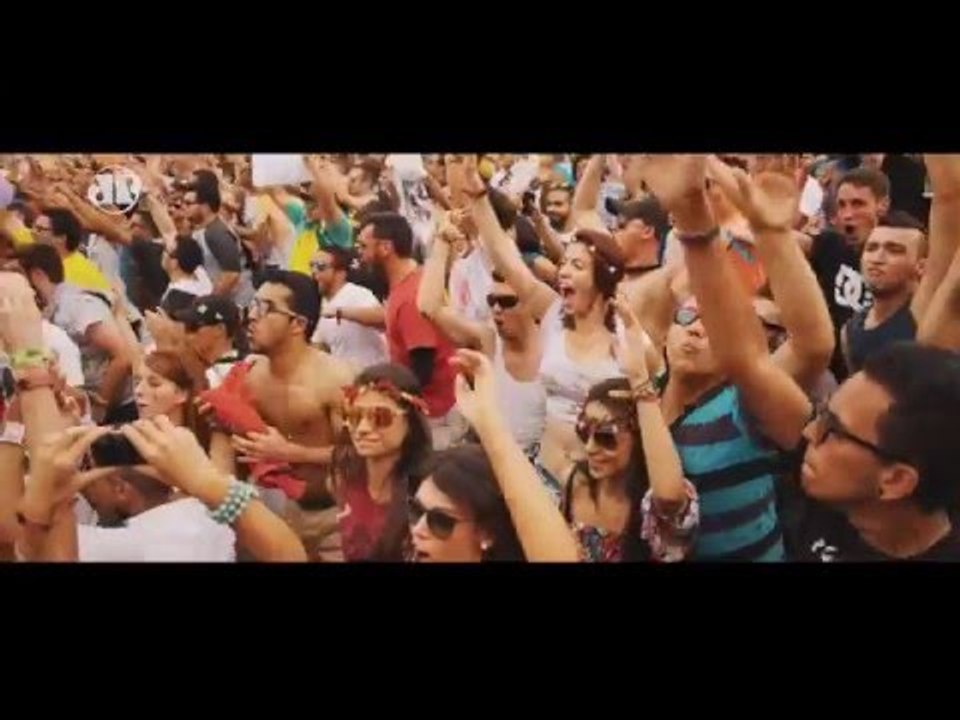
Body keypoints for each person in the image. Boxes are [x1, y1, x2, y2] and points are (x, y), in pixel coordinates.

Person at [637, 155, 835, 561]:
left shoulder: (744, 400)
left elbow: (812, 345)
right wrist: (683, 205)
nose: (695, 328)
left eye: (713, 322)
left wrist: (769, 232)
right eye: (689, 316)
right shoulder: (642, 392)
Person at [556, 298, 698, 562]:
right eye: (584, 430)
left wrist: (639, 381)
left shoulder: (651, 503)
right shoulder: (574, 483)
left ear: (637, 438)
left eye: (605, 436)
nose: (590, 447)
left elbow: (668, 497)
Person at [417, 219, 545, 454]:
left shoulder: (554, 341)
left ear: (532, 302)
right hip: (493, 459)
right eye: (492, 301)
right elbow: (429, 307)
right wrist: (441, 244)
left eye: (506, 302)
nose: (497, 309)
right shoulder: (488, 339)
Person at [355, 212, 461, 449]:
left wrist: (389, 398)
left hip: (433, 416)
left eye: (363, 246)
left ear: (385, 248)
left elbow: (422, 365)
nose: (359, 255)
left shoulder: (412, 296)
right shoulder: (408, 284)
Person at [20, 243, 135, 424]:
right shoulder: (50, 309)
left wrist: (101, 406)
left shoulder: (76, 306)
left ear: (37, 275)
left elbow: (123, 356)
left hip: (116, 411)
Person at [332, 363, 433, 561]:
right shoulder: (343, 476)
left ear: (410, 423)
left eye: (380, 417)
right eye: (354, 416)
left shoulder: (426, 492)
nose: (362, 428)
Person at [800, 167, 891, 382]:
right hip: (834, 378)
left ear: (883, 205)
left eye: (858, 204)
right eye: (841, 205)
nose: (847, 214)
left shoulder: (905, 251)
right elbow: (788, 243)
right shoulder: (832, 245)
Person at [842, 211, 926, 374]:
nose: (877, 258)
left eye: (894, 250)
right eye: (871, 248)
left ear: (921, 266)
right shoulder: (850, 329)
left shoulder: (927, 314)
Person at [309, 245, 387, 370]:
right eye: (311, 266)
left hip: (372, 376)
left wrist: (341, 312)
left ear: (341, 273)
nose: (314, 272)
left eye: (321, 267)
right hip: (345, 380)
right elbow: (320, 345)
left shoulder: (356, 293)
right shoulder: (323, 302)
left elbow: (382, 318)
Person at [187, 170, 255, 307]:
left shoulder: (216, 232)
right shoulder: (204, 230)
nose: (185, 208)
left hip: (239, 304)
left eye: (189, 204)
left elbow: (232, 274)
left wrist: (206, 305)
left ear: (204, 206)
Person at [32, 208, 111, 294]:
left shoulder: (72, 275)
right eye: (32, 226)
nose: (32, 232)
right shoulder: (57, 260)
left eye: (39, 229)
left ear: (61, 238)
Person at [180, 294, 247, 389]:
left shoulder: (225, 374)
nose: (188, 335)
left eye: (193, 327)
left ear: (219, 329)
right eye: (186, 326)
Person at [159, 234, 213, 317]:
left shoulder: (175, 298)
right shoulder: (200, 272)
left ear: (174, 263)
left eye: (165, 250)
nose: (162, 253)